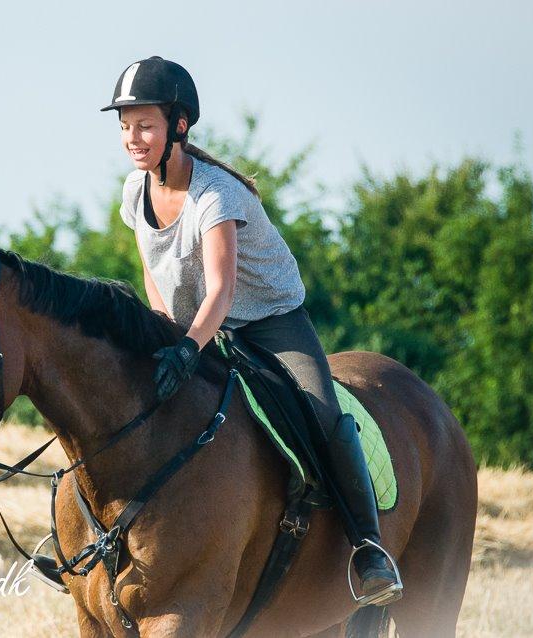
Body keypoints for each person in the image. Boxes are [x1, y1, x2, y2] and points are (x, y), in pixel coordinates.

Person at [100, 56, 403, 606]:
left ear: (179, 125)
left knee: (320, 412)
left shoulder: (216, 195)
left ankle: (368, 549)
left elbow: (220, 289)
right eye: (125, 126)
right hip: (194, 325)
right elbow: (152, 270)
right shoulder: (134, 189)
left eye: (144, 125)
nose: (132, 138)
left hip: (269, 323)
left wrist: (188, 348)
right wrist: (167, 333)